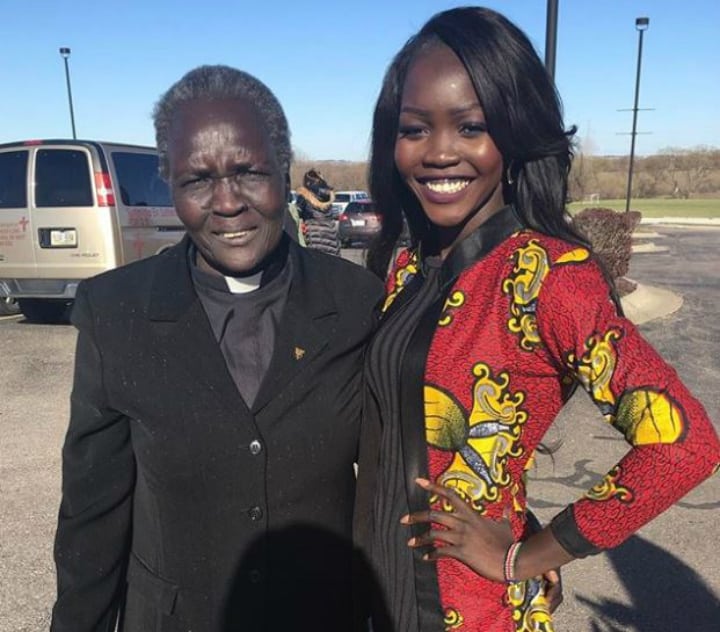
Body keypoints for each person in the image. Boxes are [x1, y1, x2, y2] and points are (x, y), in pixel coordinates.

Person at [354, 7, 720, 631]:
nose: (440, 152)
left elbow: (683, 445)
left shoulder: (547, 276)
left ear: (515, 134)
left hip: (472, 609)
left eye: (471, 126)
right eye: (415, 129)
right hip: (373, 591)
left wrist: (532, 553)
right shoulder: (405, 262)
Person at [50, 64, 384, 632]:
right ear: (170, 183)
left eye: (249, 172)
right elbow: (92, 517)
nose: (226, 203)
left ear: (284, 170)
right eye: (197, 180)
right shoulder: (116, 315)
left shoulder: (355, 302)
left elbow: (401, 469)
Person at [296, 168, 341, 255]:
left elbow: (297, 213)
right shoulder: (328, 195)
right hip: (330, 231)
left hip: (313, 233)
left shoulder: (304, 195)